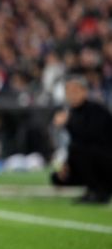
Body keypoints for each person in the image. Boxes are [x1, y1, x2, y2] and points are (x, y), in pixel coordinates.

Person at [50, 75, 112, 204]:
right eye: (68, 92)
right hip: (86, 160)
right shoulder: (72, 112)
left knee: (80, 151)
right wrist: (66, 163)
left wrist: (68, 123)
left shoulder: (96, 109)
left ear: (85, 91)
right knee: (58, 177)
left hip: (105, 161)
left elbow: (92, 138)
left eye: (75, 91)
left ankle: (100, 191)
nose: (72, 96)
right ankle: (91, 189)